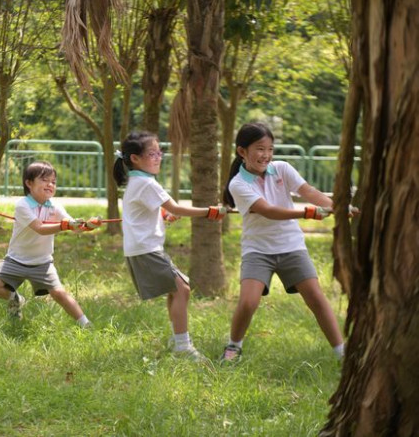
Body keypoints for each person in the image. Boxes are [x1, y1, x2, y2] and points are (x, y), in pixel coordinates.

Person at [220, 122, 345, 363]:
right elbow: (268, 211)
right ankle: (233, 347)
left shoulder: (282, 169)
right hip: (258, 251)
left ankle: (342, 353)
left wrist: (337, 208)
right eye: (259, 149)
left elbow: (309, 192)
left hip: (291, 246)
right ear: (242, 151)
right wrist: (307, 214)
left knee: (317, 299)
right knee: (248, 302)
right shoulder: (238, 184)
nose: (266, 155)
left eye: (270, 149)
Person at [113, 131, 226, 361]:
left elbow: (151, 212)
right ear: (135, 158)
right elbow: (177, 208)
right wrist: (210, 211)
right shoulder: (146, 183)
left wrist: (164, 216)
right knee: (182, 289)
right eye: (152, 154)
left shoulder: (140, 181)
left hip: (144, 247)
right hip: (146, 249)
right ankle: (182, 346)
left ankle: (178, 340)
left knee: (178, 289)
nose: (158, 157)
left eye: (159, 152)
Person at [0, 161, 95, 327]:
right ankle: (16, 299)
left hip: (42, 262)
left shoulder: (56, 206)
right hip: (16, 260)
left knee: (59, 293)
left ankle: (86, 325)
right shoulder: (22, 205)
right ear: (29, 183)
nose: (50, 184)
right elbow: (40, 228)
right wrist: (65, 225)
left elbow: (75, 227)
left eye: (54, 182)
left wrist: (88, 226)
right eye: (44, 180)